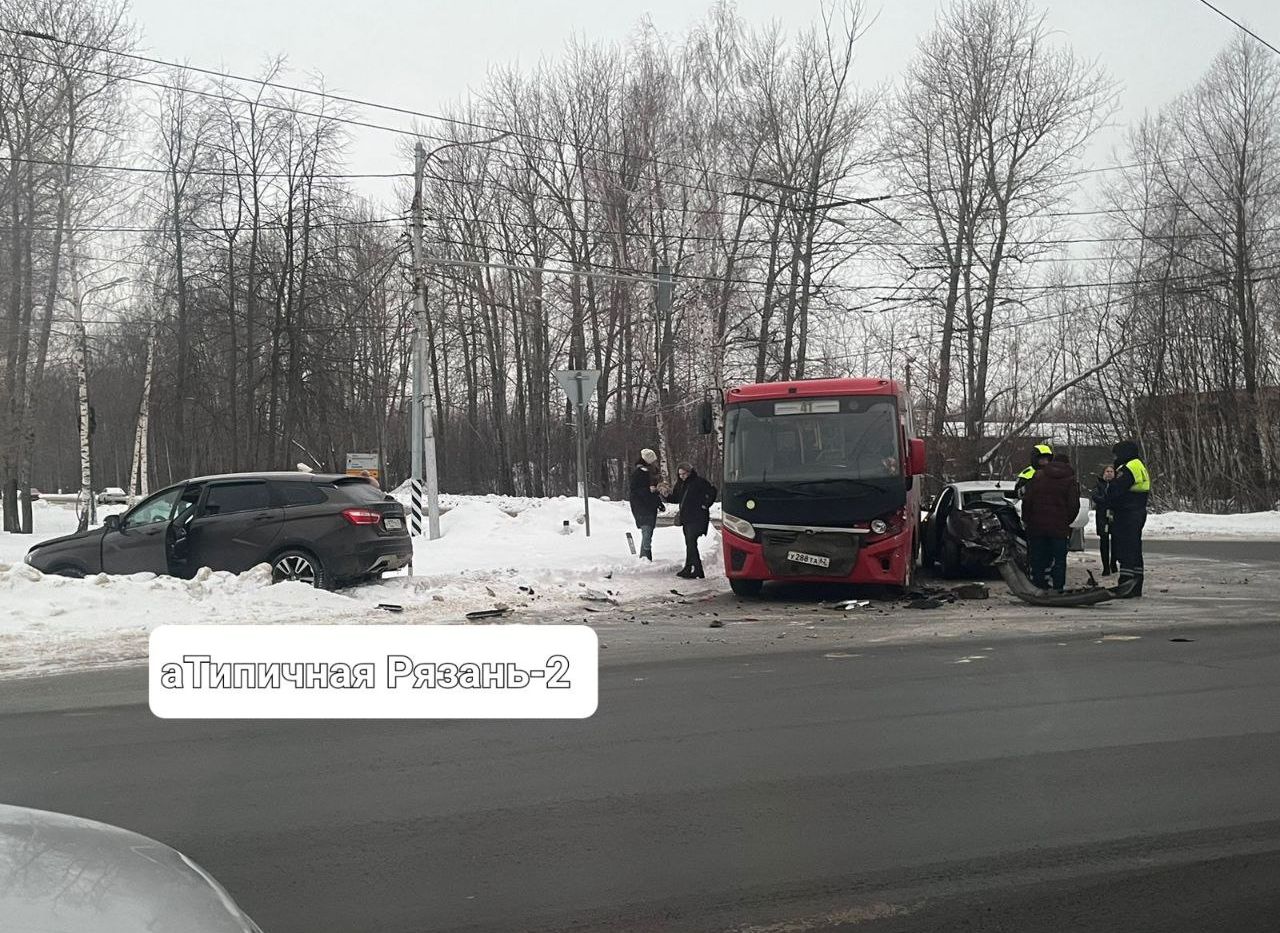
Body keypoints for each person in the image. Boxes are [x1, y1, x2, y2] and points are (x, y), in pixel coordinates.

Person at [1021, 452, 1080, 592]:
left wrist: (1027, 519)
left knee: (1038, 557)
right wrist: (1066, 521)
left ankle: (1038, 585)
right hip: (1059, 528)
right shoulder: (1070, 480)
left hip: (1037, 526)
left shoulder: (1038, 476)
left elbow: (1027, 501)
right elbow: (1073, 506)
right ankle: (1058, 587)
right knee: (1059, 559)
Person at [1104, 440, 1151, 598]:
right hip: (1137, 511)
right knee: (1135, 549)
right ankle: (1136, 584)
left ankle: (1126, 583)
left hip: (1127, 512)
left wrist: (1109, 487)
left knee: (1126, 549)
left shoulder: (1128, 468)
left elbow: (1116, 490)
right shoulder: (1139, 465)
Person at [665, 462, 717, 579]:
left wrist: (706, 504)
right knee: (690, 543)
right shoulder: (680, 484)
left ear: (689, 472)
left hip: (698, 517)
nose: (682, 476)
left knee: (691, 542)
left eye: (684, 474)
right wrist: (666, 495)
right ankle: (690, 568)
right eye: (680, 474)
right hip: (687, 518)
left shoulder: (699, 482)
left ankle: (697, 569)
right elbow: (676, 498)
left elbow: (712, 491)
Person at [628, 448, 663, 560]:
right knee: (647, 530)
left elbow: (653, 492)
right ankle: (646, 556)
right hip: (642, 506)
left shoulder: (650, 473)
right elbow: (635, 490)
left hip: (649, 505)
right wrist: (649, 490)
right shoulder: (640, 473)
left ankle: (645, 557)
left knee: (648, 530)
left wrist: (658, 502)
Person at [1091, 465, 1118, 576]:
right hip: (1102, 515)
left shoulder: (1117, 485)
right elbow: (1095, 496)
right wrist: (1105, 500)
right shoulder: (1099, 484)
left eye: (1111, 471)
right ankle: (1105, 566)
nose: (1109, 473)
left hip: (1115, 515)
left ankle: (1113, 563)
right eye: (1107, 471)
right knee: (1104, 540)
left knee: (1116, 540)